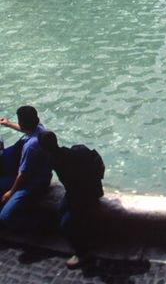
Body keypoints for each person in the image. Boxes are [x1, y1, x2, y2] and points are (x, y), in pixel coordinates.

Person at [39, 131, 104, 269]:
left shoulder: (53, 160)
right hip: (84, 191)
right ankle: (87, 241)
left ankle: (83, 253)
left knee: (66, 223)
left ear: (43, 149)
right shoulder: (77, 150)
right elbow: (97, 161)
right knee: (62, 210)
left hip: (82, 195)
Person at [0, 106, 53, 233]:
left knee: (5, 218)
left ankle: (43, 223)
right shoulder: (39, 129)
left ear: (23, 123)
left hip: (31, 182)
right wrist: (8, 124)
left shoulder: (30, 147)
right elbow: (26, 130)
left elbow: (22, 174)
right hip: (33, 174)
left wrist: (10, 193)